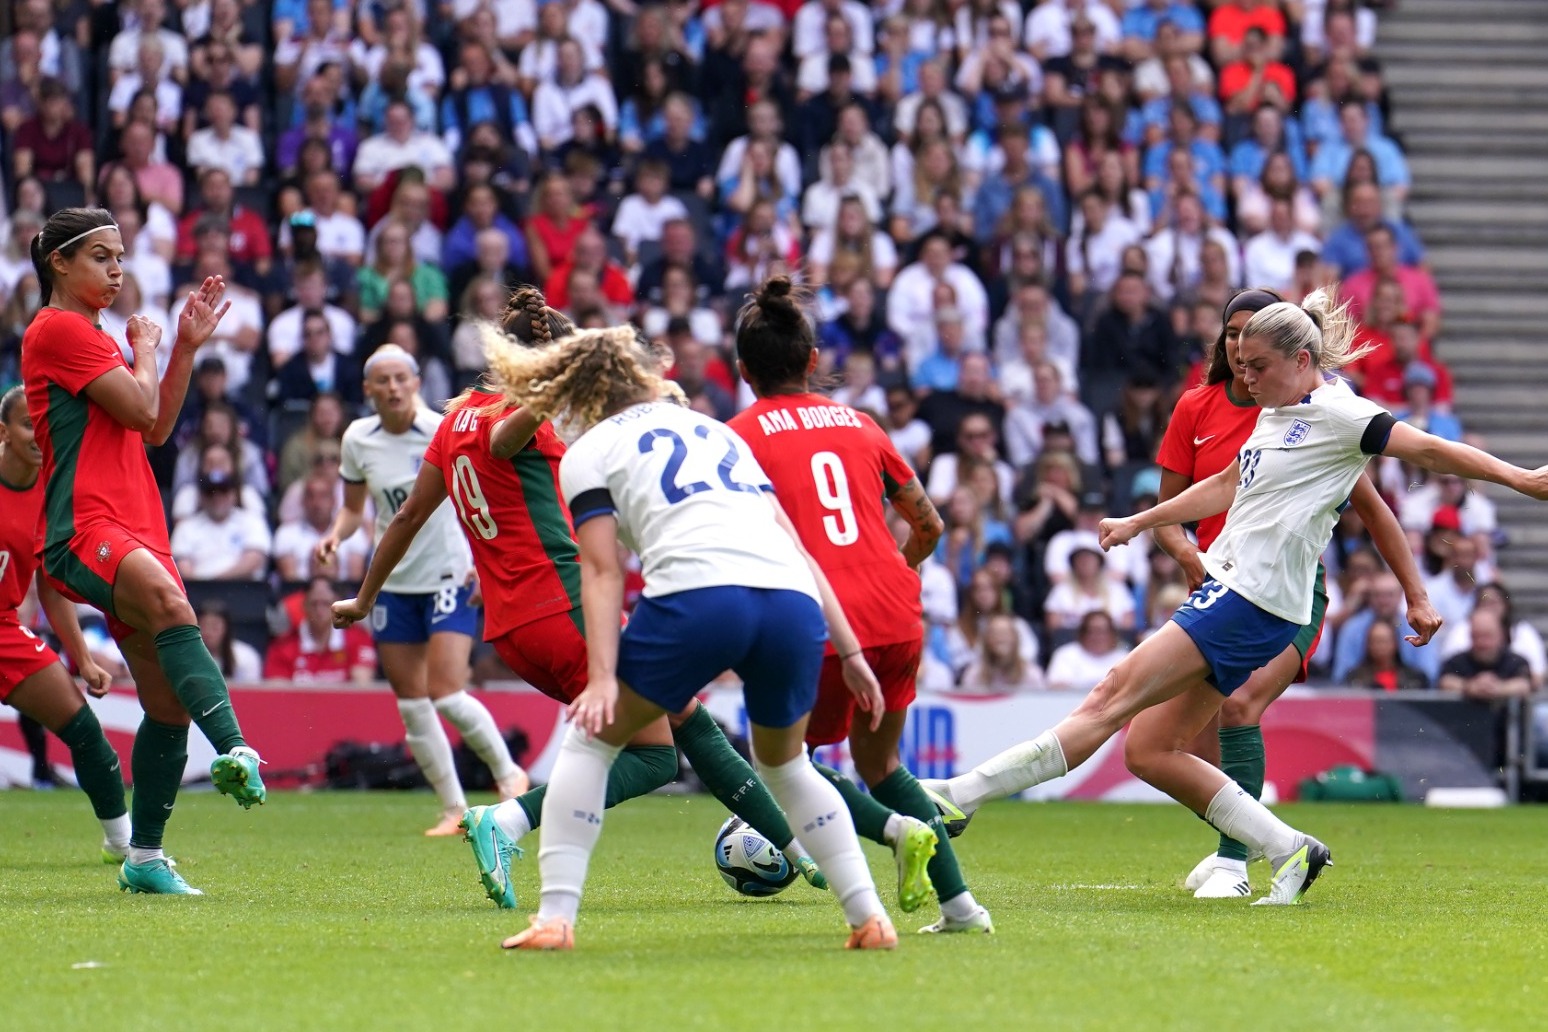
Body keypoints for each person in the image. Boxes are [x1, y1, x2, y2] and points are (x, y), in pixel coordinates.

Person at [926, 287, 1548, 906]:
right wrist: (1143, 522)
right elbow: (1224, 485)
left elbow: (1435, 450)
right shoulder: (1276, 414)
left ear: (1302, 361)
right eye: (1241, 364)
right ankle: (1289, 849)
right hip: (1237, 592)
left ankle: (960, 796)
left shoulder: (1341, 414)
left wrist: (1518, 478)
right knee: (1149, 749)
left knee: (1110, 696)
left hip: (1251, 600)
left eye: (1258, 367)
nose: (1245, 379)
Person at [332, 286, 858, 910]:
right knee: (661, 754)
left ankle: (794, 847)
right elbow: (505, 443)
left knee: (676, 718)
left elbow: (407, 517)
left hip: (514, 630)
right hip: (561, 608)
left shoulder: (452, 422)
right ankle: (507, 822)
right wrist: (572, 373)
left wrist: (365, 598)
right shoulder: (513, 418)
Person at [478, 322, 901, 952]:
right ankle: (869, 918)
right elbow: (794, 542)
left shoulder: (589, 452)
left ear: (577, 393)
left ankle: (555, 920)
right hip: (789, 603)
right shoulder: (713, 431)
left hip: (699, 598)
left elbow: (598, 570)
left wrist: (599, 679)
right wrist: (851, 650)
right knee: (786, 767)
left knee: (591, 745)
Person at [1147, 287, 1436, 897]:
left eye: (1254, 339)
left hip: (1288, 592)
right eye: (1233, 334)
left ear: (1288, 350)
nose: (1241, 349)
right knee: (1180, 741)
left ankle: (1234, 862)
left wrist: (1415, 593)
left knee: (1239, 706)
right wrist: (1184, 553)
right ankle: (1245, 845)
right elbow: (1170, 510)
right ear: (1225, 342)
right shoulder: (1196, 408)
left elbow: (1375, 510)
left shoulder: (1316, 412)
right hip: (1217, 585)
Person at [728, 276, 992, 935]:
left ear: (742, 370)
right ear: (813, 360)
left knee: (786, 766)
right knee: (881, 764)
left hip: (815, 620)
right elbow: (928, 525)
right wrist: (890, 580)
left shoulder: (738, 436)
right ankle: (962, 908)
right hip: (898, 613)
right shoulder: (863, 426)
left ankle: (896, 830)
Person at [21, 206, 264, 896]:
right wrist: (149, 346)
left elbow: (154, 428)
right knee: (168, 600)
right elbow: (137, 406)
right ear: (59, 264)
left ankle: (145, 857)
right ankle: (238, 749)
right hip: (83, 528)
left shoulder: (91, 336)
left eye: (120, 256)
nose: (117, 269)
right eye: (101, 256)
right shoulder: (60, 329)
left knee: (165, 705)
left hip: (132, 524)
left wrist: (182, 348)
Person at [315, 343, 529, 834]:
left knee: (447, 692)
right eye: (382, 380)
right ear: (367, 389)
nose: (392, 387)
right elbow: (354, 508)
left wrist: (481, 558)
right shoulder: (358, 439)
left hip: (448, 573)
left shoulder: (442, 430)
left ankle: (509, 774)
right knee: (412, 701)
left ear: (416, 382)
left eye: (401, 378)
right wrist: (335, 534)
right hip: (392, 581)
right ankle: (454, 809)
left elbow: (481, 493)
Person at [0, 385, 130, 862]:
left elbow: (52, 584)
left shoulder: (55, 492)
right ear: (4, 432)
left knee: (84, 731)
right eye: (25, 424)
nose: (38, 434)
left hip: (4, 631)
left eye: (43, 423)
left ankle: (125, 845)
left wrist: (81, 657)